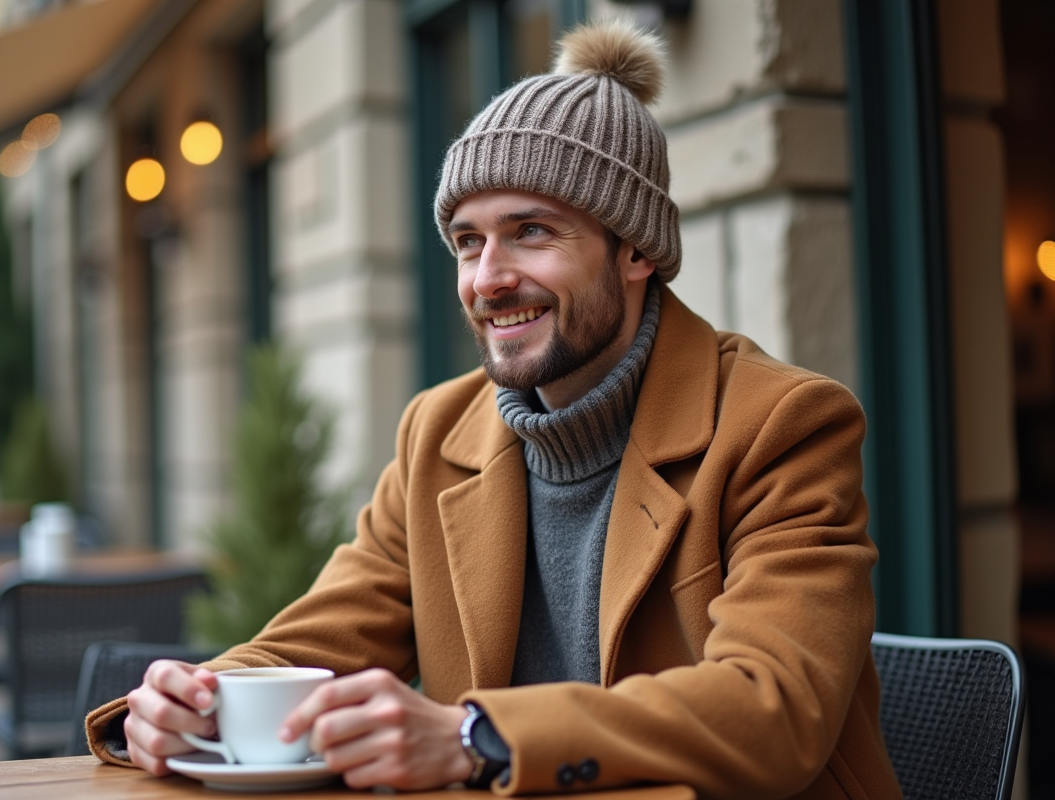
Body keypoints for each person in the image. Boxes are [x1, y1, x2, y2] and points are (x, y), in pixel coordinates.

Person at [87, 20, 902, 799]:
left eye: (532, 232)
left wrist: (476, 738)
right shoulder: (437, 433)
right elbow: (315, 645)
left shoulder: (784, 423)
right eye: (469, 241)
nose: (487, 279)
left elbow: (774, 711)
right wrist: (188, 706)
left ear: (637, 251)